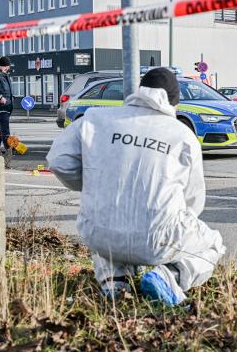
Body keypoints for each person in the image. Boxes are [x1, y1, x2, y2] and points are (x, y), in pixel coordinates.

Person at [47, 68, 225, 306]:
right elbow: (193, 201)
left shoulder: (95, 119)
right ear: (174, 103)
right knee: (213, 243)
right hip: (158, 241)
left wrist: (97, 185)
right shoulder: (182, 135)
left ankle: (114, 282)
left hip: (100, 235)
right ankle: (170, 276)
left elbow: (59, 161)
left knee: (104, 221)